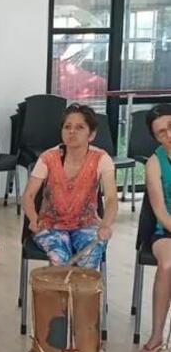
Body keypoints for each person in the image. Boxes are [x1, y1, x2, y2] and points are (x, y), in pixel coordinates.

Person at [22, 104, 117, 270]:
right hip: (50, 225)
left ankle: (82, 296)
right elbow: (28, 196)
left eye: (80, 127)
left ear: (92, 134)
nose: (72, 132)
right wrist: (33, 219)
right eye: (67, 127)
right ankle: (59, 296)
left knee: (89, 259)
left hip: (87, 224)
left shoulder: (102, 159)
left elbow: (111, 199)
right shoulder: (48, 157)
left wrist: (106, 225)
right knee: (60, 259)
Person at [139, 103, 171, 352]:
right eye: (161, 132)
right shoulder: (154, 162)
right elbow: (159, 210)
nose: (168, 135)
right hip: (166, 230)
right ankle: (157, 334)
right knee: (168, 265)